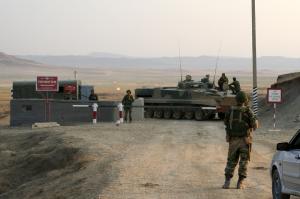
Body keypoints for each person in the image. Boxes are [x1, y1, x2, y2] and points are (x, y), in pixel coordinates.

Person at [222, 91, 258, 189]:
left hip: (233, 140)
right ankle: (240, 183)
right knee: (243, 162)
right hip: (245, 140)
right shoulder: (248, 111)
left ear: (236, 100)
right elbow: (255, 126)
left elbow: (225, 123)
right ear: (245, 100)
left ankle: (227, 182)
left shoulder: (230, 110)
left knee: (231, 161)